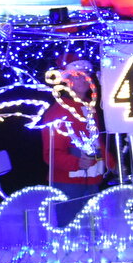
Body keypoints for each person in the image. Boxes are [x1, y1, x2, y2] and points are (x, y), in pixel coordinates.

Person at [40, 58, 110, 200]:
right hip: (68, 183)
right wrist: (76, 162)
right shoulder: (58, 111)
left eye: (86, 75)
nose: (84, 80)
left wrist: (111, 163)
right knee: (70, 221)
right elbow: (51, 154)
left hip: (93, 180)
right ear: (67, 80)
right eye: (78, 76)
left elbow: (97, 143)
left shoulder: (90, 107)